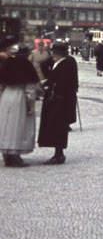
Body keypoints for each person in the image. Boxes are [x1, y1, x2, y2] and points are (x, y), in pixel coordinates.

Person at [38, 41, 78, 165]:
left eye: (54, 53)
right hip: (59, 99)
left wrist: (49, 85)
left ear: (59, 54)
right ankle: (58, 153)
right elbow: (44, 65)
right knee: (56, 127)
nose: (52, 56)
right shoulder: (62, 62)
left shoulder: (66, 64)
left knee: (58, 127)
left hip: (60, 100)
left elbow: (63, 83)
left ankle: (59, 154)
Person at [0, 39, 39, 167]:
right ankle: (15, 156)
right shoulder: (27, 66)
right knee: (17, 126)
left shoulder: (7, 64)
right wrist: (31, 104)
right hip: (19, 97)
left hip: (6, 97)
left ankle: (6, 155)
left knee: (5, 126)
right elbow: (29, 89)